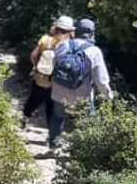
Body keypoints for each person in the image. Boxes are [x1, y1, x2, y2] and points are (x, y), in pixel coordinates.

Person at [48, 18, 114, 152]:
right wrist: (109, 97)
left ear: (76, 31)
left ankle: (54, 147)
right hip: (81, 96)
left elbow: (53, 67)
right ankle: (84, 151)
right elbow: (101, 80)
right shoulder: (94, 51)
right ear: (92, 33)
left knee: (57, 116)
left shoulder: (63, 45)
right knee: (87, 120)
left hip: (59, 91)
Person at [24, 16, 75, 125]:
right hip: (56, 82)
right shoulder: (69, 45)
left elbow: (33, 56)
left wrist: (38, 67)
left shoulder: (45, 40)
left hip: (40, 77)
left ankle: (25, 117)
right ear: (70, 31)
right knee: (51, 107)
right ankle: (51, 134)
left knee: (33, 99)